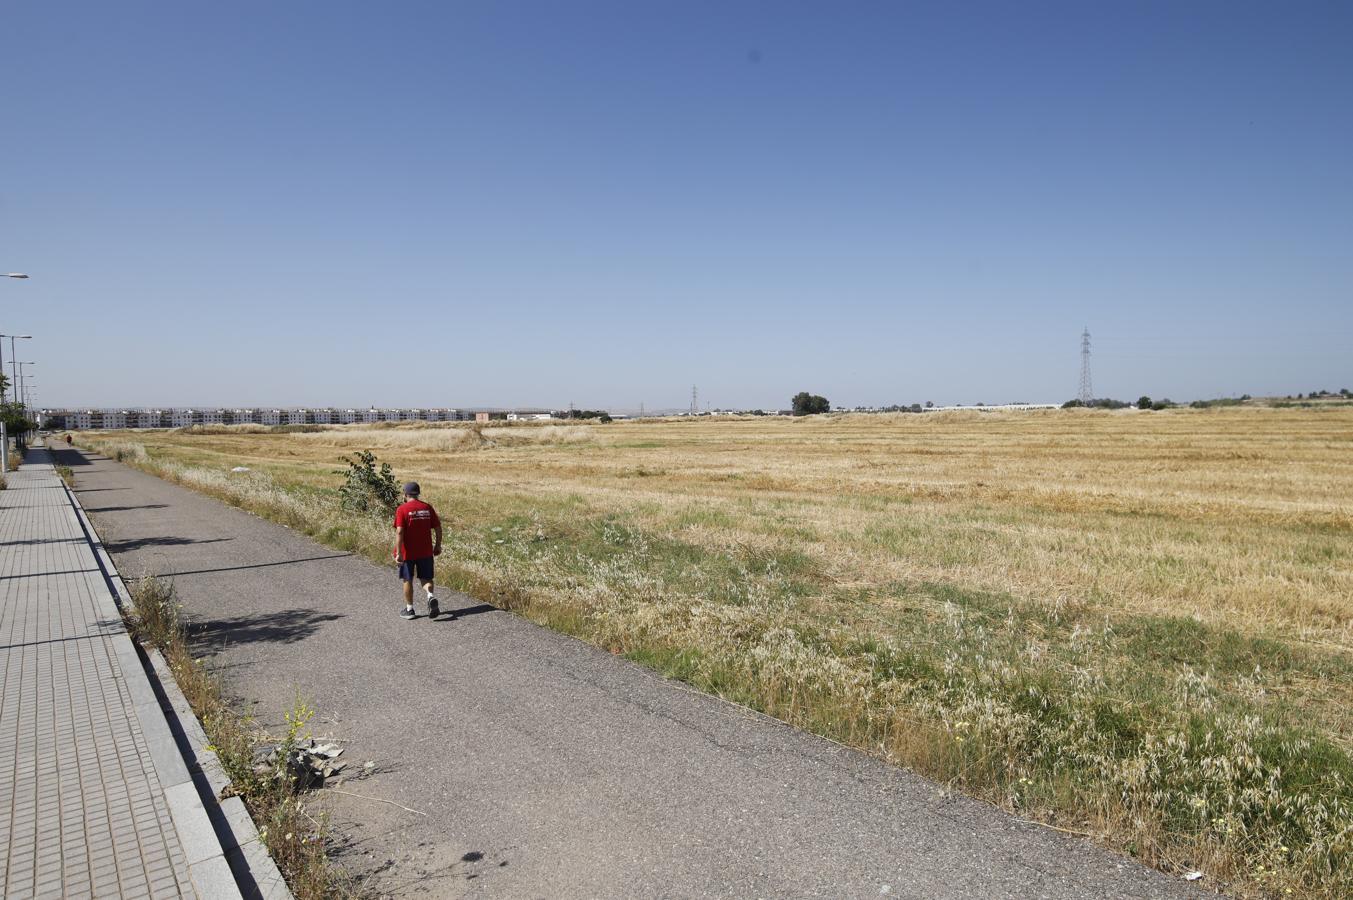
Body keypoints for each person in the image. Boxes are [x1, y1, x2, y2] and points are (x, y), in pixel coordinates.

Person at [392, 481, 444, 620]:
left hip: (408, 553)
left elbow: (400, 532)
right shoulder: (427, 507)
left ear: (405, 494)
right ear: (418, 493)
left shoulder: (402, 509)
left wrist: (399, 553)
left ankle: (410, 610)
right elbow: (438, 528)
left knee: (407, 579)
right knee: (426, 578)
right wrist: (437, 545)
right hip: (426, 551)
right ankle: (430, 596)